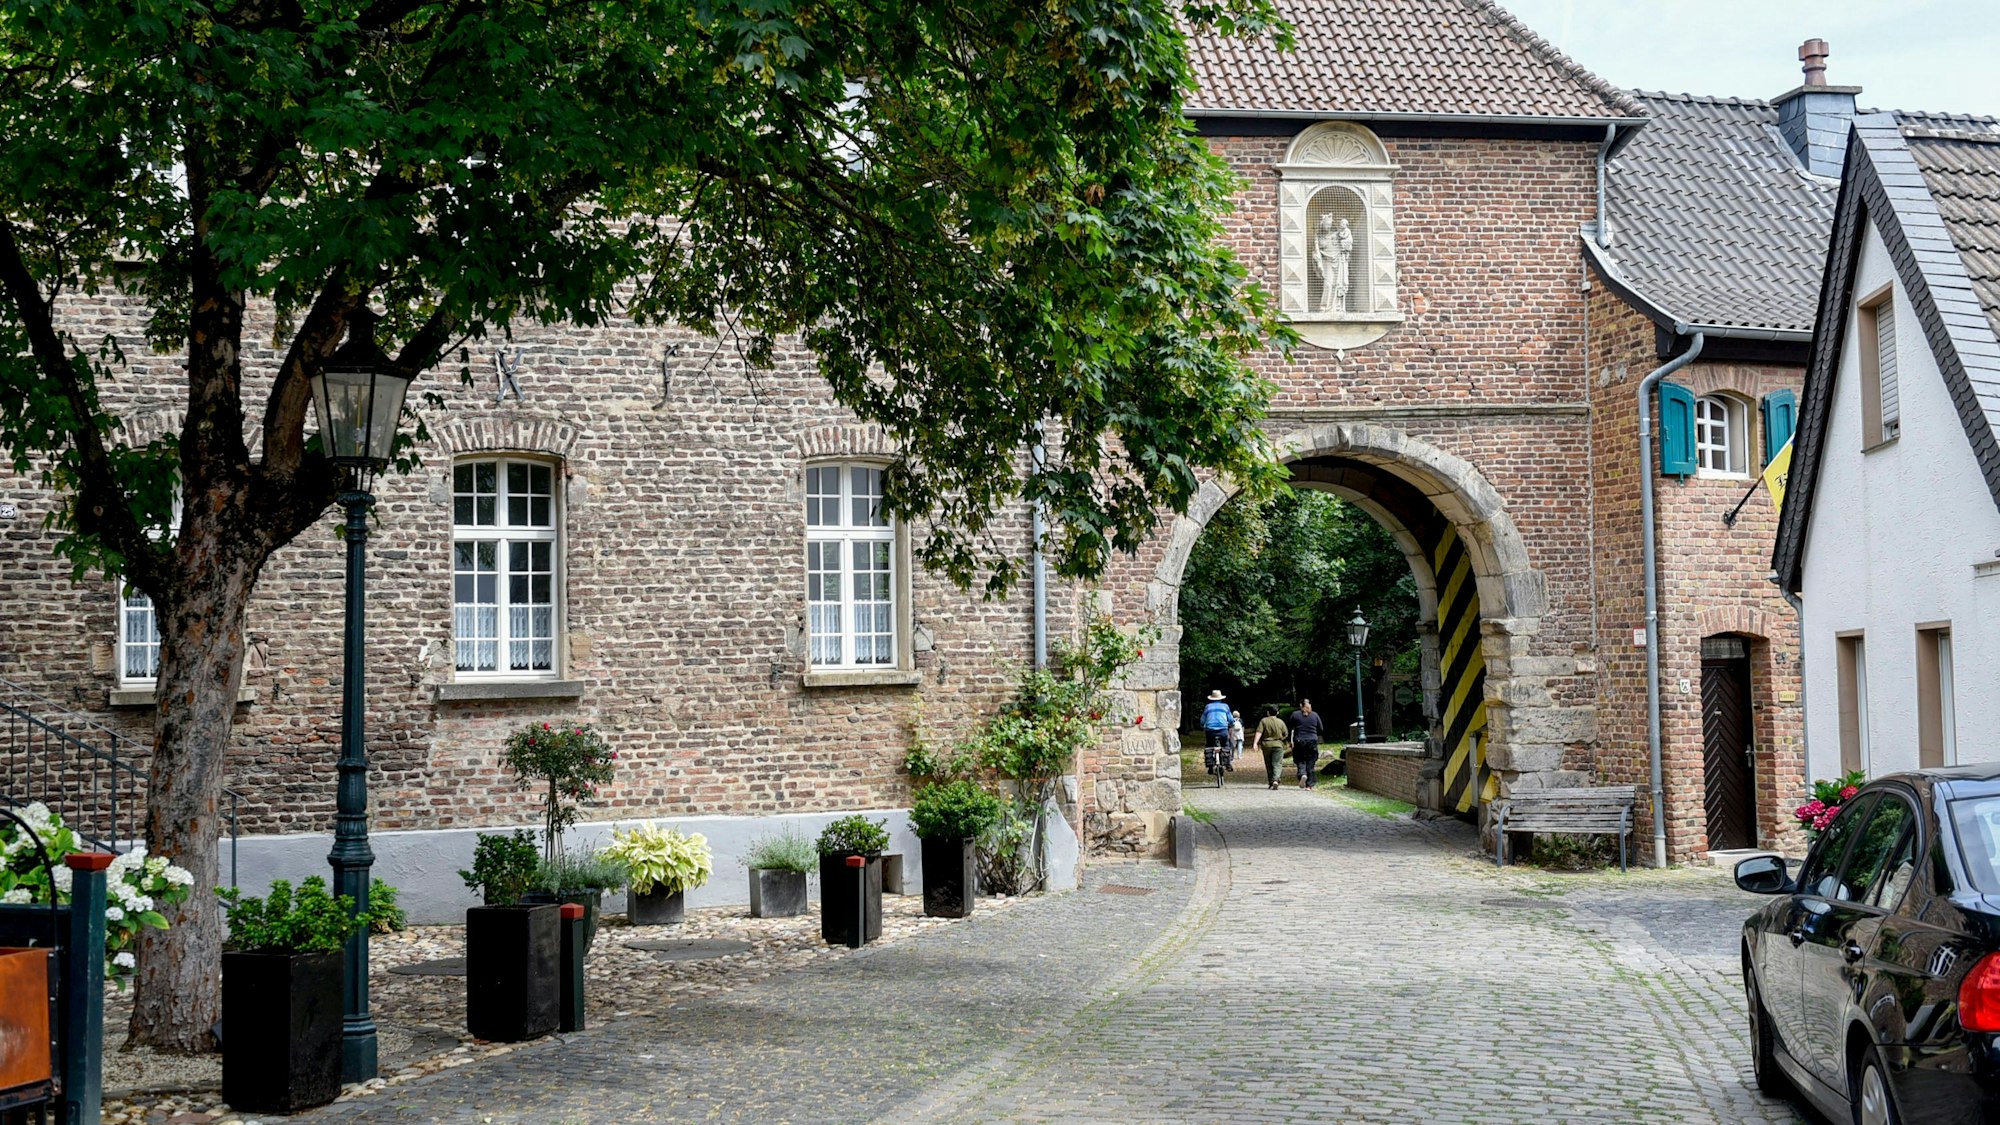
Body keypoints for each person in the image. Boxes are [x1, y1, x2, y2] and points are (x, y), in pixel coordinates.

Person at [1288, 698, 1325, 790]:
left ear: (1301, 705)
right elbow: (1321, 729)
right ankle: (1309, 785)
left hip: (1299, 741)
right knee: (1311, 762)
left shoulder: (1295, 715)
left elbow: (1290, 727)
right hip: (1312, 741)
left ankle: (1302, 774)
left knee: (1300, 759)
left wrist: (1290, 740)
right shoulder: (1315, 715)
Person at [1254, 705, 1290, 790]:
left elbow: (1259, 732)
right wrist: (1282, 739)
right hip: (1278, 745)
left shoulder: (1264, 721)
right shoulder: (1280, 722)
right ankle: (1276, 780)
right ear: (1277, 713)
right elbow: (1286, 734)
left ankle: (1271, 781)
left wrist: (1255, 743)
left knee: (1269, 763)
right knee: (1277, 763)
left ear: (1268, 713)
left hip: (1266, 745)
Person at [1200, 689, 1233, 779]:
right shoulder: (1225, 706)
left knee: (1209, 746)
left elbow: (1202, 720)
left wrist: (1202, 725)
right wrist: (1231, 724)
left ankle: (1210, 767)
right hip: (1223, 730)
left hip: (1210, 730)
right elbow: (1230, 719)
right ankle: (1228, 764)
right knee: (1226, 745)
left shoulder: (1208, 707)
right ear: (1221, 698)